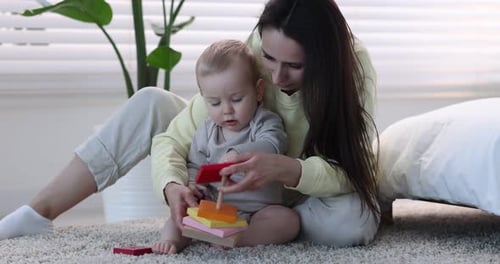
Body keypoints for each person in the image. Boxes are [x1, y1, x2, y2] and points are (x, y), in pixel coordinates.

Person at [0, 0, 379, 247]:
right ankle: (36, 213)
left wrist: (288, 169)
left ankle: (254, 226)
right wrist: (172, 187)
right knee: (151, 101)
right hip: (227, 168)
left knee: (354, 221)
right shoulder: (256, 50)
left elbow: (352, 169)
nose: (277, 77)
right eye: (268, 60)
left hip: (295, 190)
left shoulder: (353, 68)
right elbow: (174, 138)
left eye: (295, 66)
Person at [152, 39, 298, 254]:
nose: (227, 110)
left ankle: (240, 238)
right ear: (204, 99)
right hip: (214, 206)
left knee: (288, 221)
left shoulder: (265, 121)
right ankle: (171, 242)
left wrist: (238, 154)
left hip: (258, 210)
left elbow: (273, 144)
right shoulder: (206, 130)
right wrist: (194, 186)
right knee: (180, 216)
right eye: (215, 103)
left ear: (258, 91)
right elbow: (195, 165)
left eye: (237, 99)